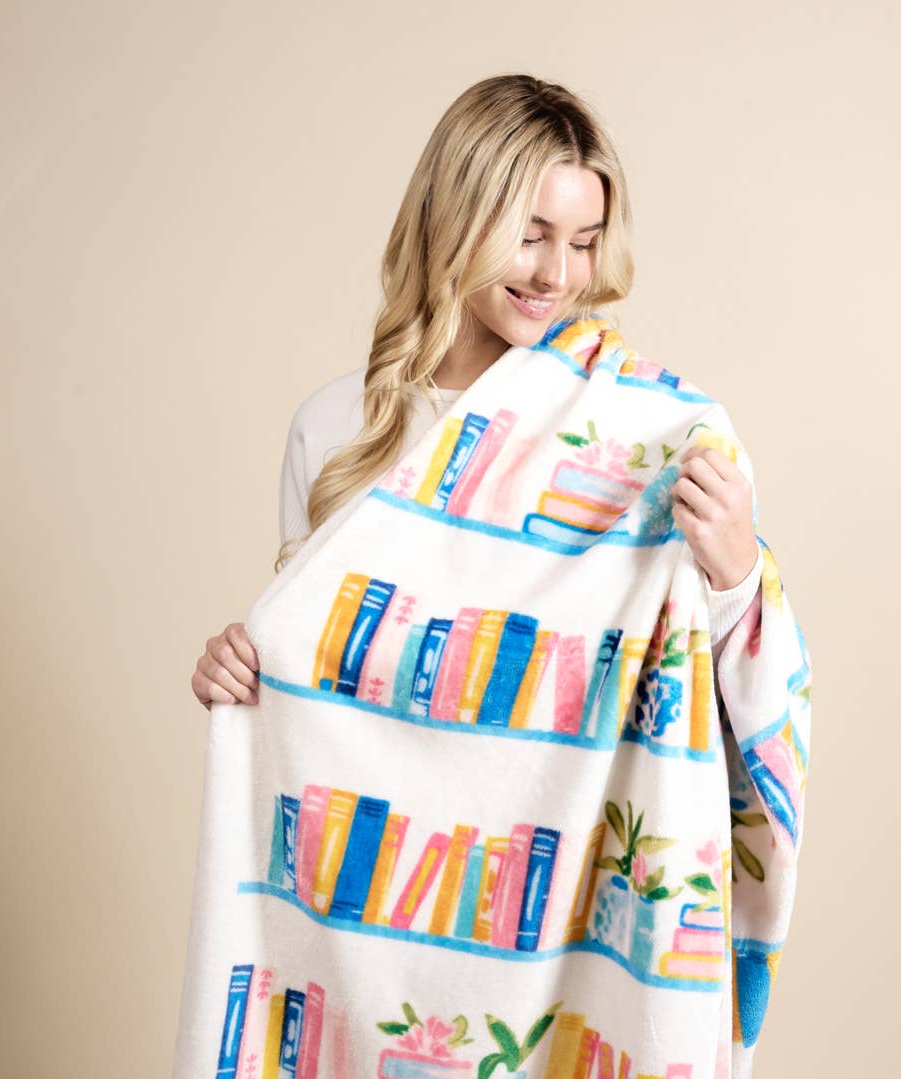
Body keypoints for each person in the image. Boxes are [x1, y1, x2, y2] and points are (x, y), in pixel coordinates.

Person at [190, 77, 763, 716]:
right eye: (529, 236)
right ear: (453, 220)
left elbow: (675, 701)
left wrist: (735, 575)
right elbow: (321, 689)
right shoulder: (333, 427)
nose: (557, 275)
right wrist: (242, 676)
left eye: (583, 243)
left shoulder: (639, 436)